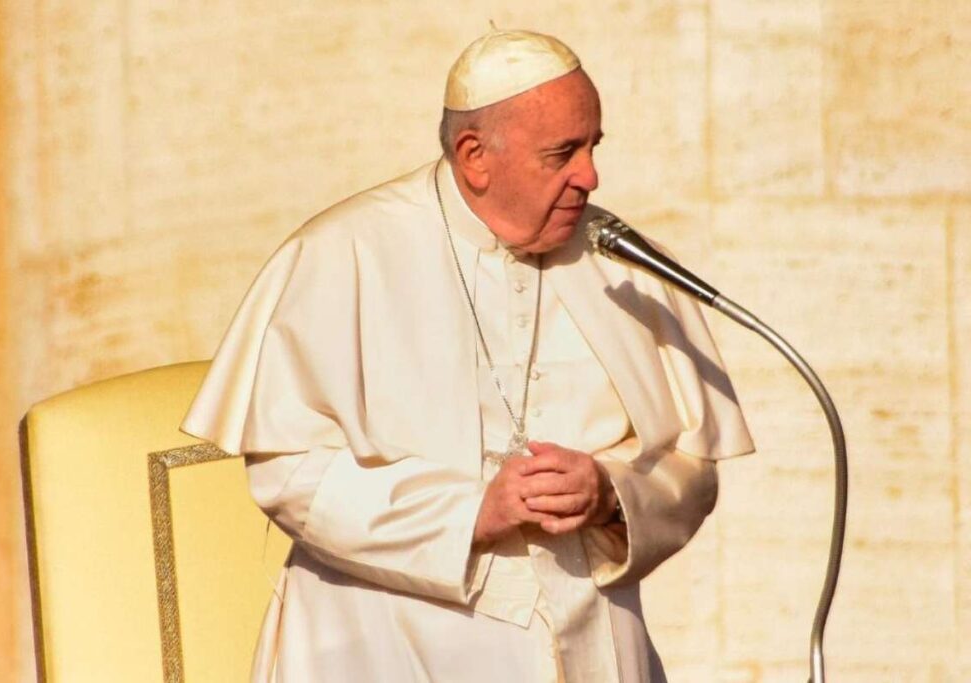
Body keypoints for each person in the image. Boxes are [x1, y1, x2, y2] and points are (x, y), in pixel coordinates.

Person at [182, 27, 753, 682]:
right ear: (475, 156)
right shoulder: (345, 253)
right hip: (382, 642)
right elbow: (287, 473)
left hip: (588, 640)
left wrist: (610, 494)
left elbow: (691, 464)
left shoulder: (617, 262)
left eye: (593, 147)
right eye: (562, 153)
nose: (590, 177)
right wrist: (470, 513)